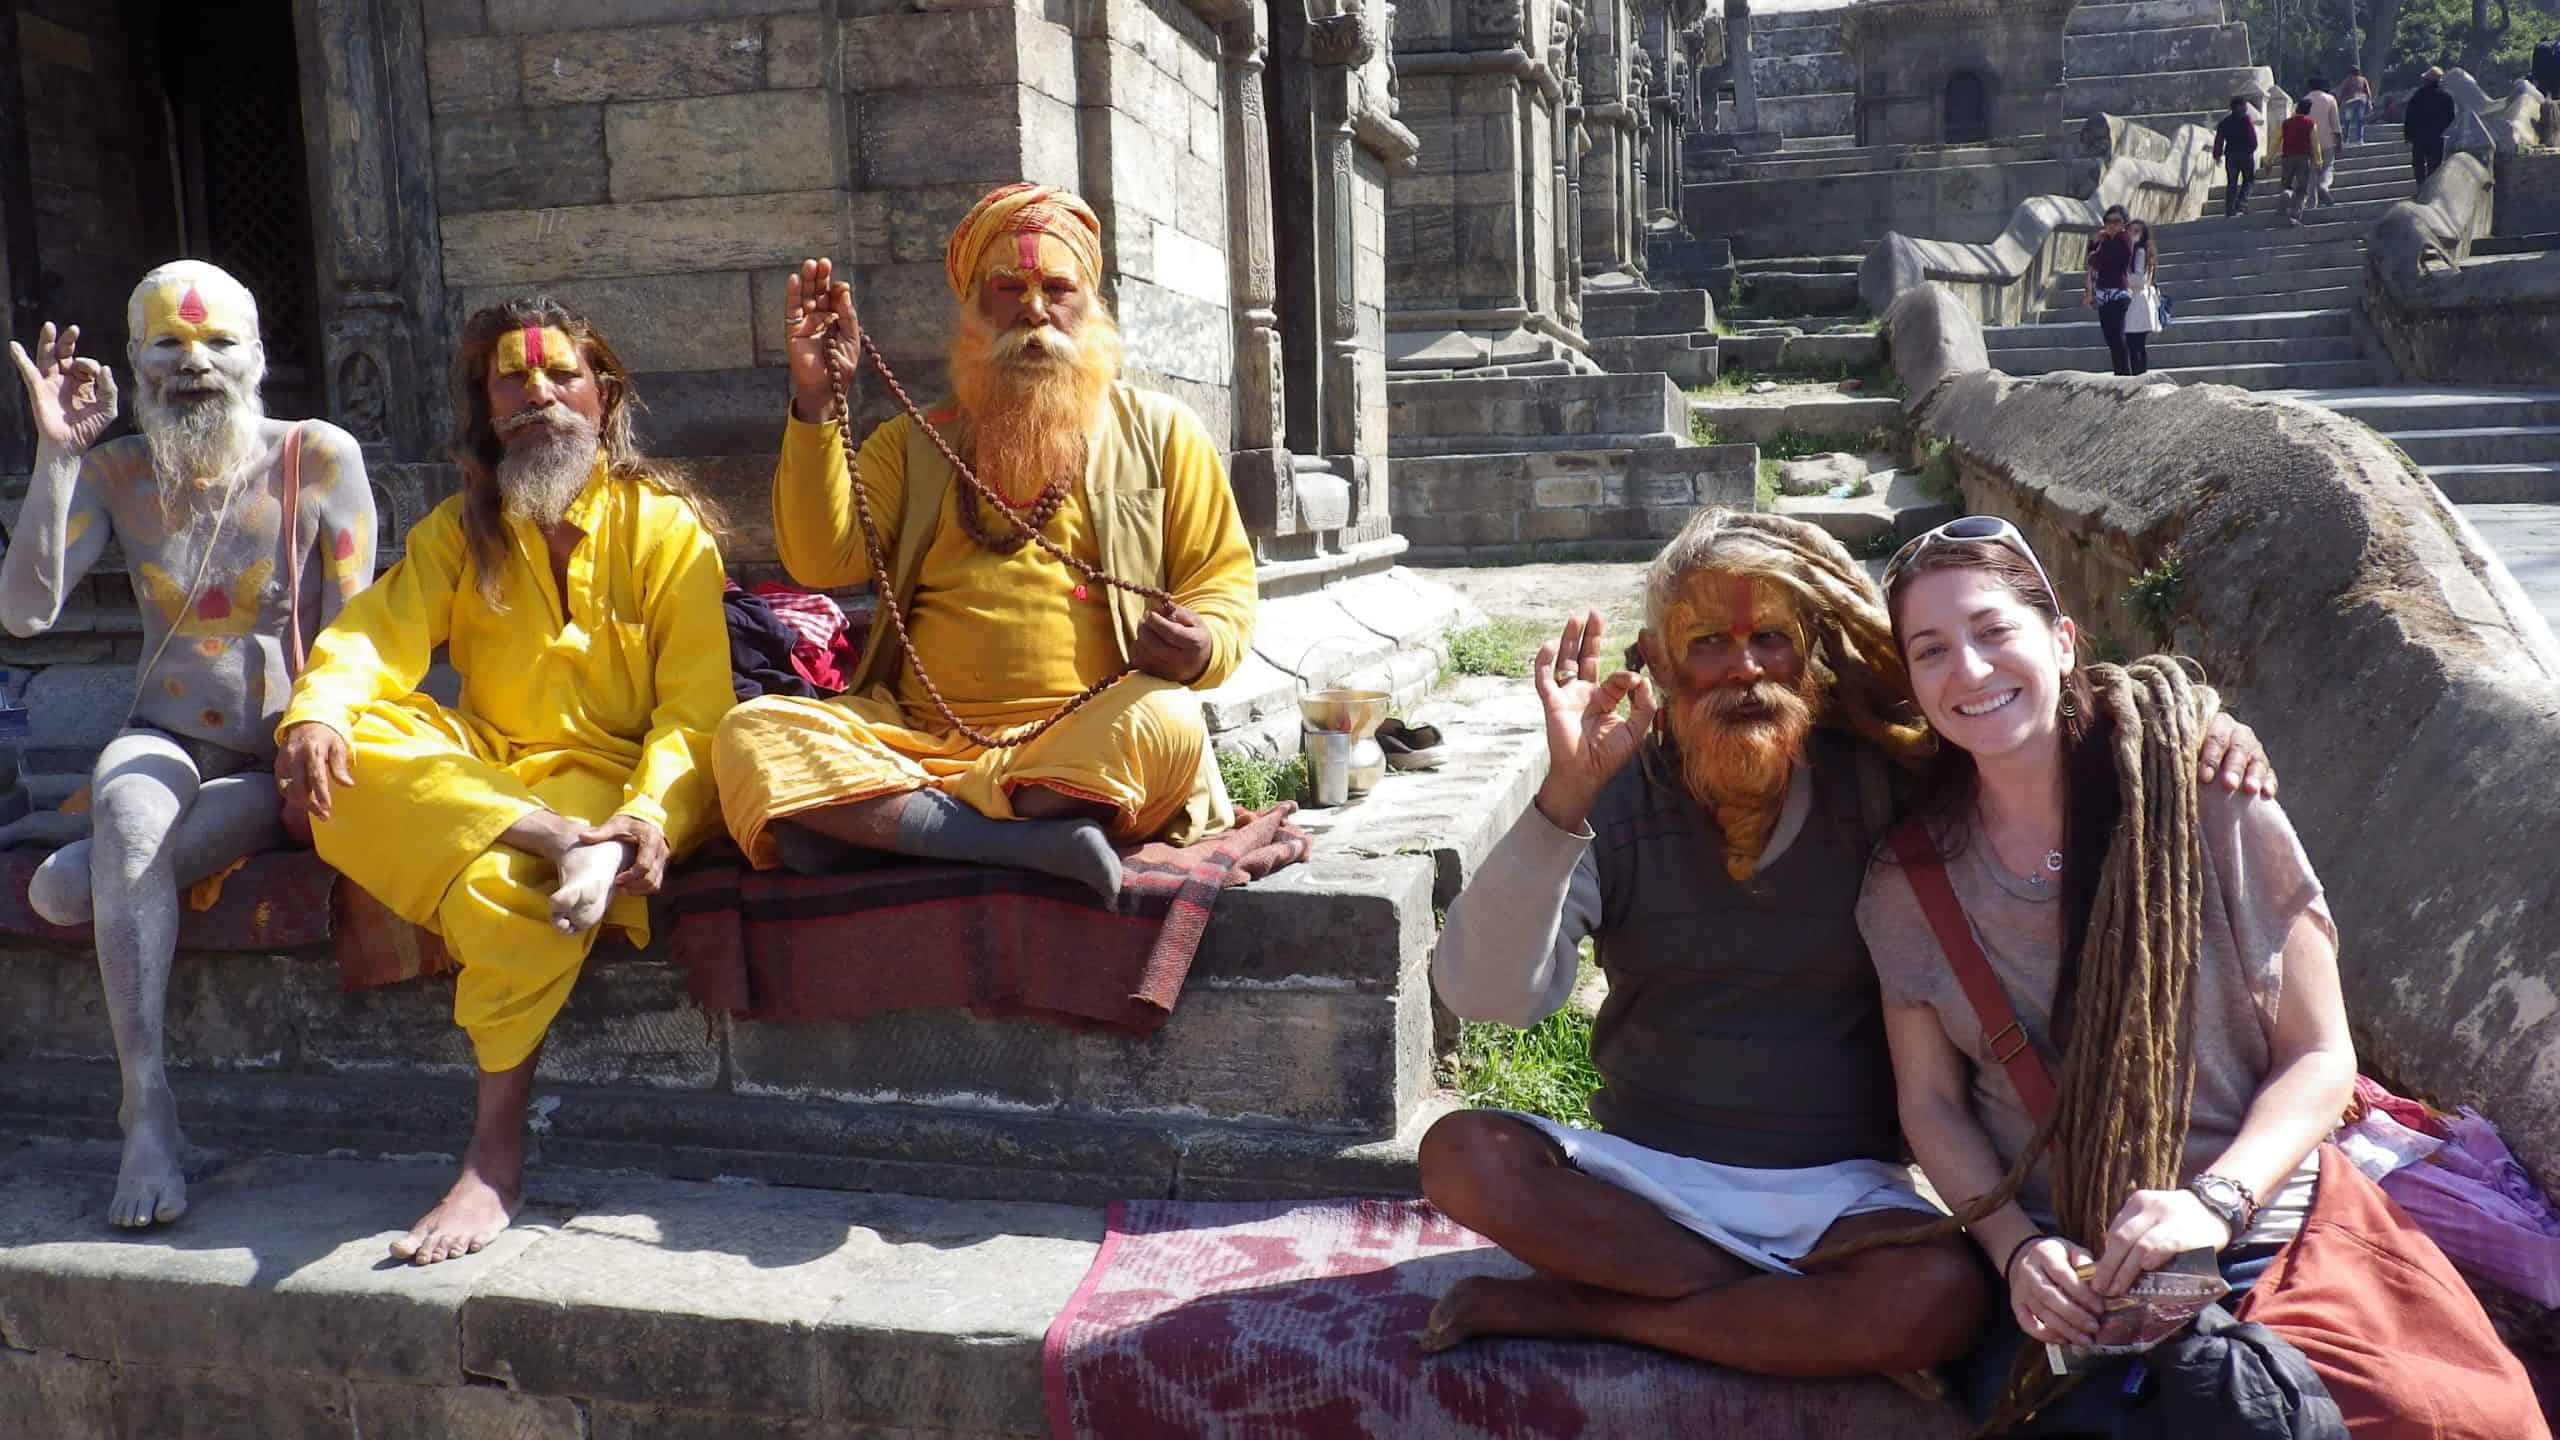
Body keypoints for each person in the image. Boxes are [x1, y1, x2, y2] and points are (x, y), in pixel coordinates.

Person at [1412, 510, 2272, 1382]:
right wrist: (1564, 795)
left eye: (1771, 640)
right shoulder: (1613, 786)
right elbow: (1488, 997)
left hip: (1838, 1197)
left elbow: (2026, 719)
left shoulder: (1885, 777)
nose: (1744, 668)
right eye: (1708, 642)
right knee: (1461, 1155)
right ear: (1659, 662)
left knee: (1936, 1295)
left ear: (1810, 654)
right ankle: (1762, 1307)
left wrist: (2190, 728)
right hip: (1641, 1181)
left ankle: (1599, 1311)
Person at [1844, 516, 2550, 1437]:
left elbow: (2320, 1052)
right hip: (2075, 1277)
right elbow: (1931, 1104)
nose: (1969, 671)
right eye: (1931, 650)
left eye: (1992, 630)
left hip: (2266, 1232)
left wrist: (2213, 1205)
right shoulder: (1909, 880)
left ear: (2061, 642)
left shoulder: (2208, 797)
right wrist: (2017, 1251)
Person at [276, 300, 733, 1264]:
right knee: (345, 746)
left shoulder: (669, 533)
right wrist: (315, 709)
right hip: (490, 774)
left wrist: (648, 816)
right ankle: (548, 839)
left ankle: (493, 1159)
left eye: (560, 376)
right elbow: (369, 641)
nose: (538, 397)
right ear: (484, 412)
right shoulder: (457, 532)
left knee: (493, 889)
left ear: (603, 397)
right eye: (510, 382)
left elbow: (696, 716)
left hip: (611, 789)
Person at [711, 185, 1256, 898]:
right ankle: (1017, 840)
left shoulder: (1161, 432)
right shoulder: (913, 440)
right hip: (916, 741)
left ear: (1090, 304)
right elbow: (821, 560)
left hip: (1080, 745)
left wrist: (1204, 645)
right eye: (1008, 288)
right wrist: (817, 399)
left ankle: (899, 829)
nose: (1034, 309)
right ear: (972, 310)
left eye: (1056, 287)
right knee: (750, 734)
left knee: (1169, 719)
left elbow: (1221, 581)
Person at [0, 262, 376, 1229]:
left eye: (217, 344)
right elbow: (26, 614)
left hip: (271, 765)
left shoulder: (317, 456)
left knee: (62, 887)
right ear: (135, 362)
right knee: (128, 806)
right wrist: (55, 457)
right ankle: (148, 1110)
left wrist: (319, 735)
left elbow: (362, 638)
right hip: (158, 739)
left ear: (257, 356)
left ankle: (81, 861)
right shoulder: (117, 470)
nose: (194, 363)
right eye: (169, 344)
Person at [2083, 205, 2141, 376]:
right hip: (2103, 293)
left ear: (2124, 223)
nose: (2111, 225)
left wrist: (2097, 251)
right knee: (2111, 339)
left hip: (2118, 293)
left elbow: (2100, 259)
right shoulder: (2106, 241)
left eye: (2116, 221)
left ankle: (2125, 375)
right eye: (2108, 221)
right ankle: (2119, 374)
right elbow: (2090, 261)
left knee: (2117, 337)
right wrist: (2095, 243)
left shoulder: (2124, 239)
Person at [2406, 67, 2458, 188]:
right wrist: (2441, 129)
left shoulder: (2418, 95)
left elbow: (2410, 116)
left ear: (2426, 81)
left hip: (2419, 136)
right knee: (2434, 164)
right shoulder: (2446, 97)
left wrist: (2408, 135)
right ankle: (2430, 188)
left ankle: (2421, 186)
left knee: (2418, 163)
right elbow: (2451, 117)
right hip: (2437, 136)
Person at [2121, 220, 2160, 376]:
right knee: (2137, 343)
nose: (2132, 234)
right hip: (2140, 301)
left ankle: (2139, 376)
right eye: (2130, 230)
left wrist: (2121, 278)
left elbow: (2140, 279)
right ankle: (2140, 375)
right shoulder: (2139, 250)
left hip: (2137, 301)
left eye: (2137, 231)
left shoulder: (2140, 251)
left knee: (2134, 342)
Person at [2212, 97, 2259, 218]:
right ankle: (2241, 203)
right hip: (2245, 154)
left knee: (2231, 183)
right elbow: (2252, 137)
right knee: (2249, 180)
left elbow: (2219, 140)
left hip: (2231, 156)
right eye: (2244, 105)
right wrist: (2251, 149)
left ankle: (2229, 210)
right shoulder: (2245, 120)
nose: (2245, 108)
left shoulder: (2225, 122)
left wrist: (2217, 155)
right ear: (2240, 106)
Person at [2278, 98, 2322, 226]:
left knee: (2286, 184)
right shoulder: (2310, 123)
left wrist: (2269, 159)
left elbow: (2276, 140)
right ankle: (2295, 215)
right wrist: (2318, 161)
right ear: (2308, 111)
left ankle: (2286, 193)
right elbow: (2315, 143)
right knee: (2302, 189)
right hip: (2304, 158)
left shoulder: (2285, 123)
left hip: (2287, 158)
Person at [2301, 76, 2341, 206]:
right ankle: (2323, 186)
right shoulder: (2330, 99)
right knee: (2327, 168)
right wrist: (2339, 141)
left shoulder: (2304, 100)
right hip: (2328, 141)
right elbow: (2335, 123)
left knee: (2312, 172)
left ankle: (2312, 203)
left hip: (2309, 142)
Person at [2338, 65, 2373, 146]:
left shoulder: (2348, 80)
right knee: (2360, 120)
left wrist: (2339, 102)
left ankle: (2346, 139)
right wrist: (2369, 102)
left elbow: (2342, 92)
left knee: (2347, 121)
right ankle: (2360, 139)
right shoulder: (2363, 79)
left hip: (2350, 101)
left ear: (2350, 72)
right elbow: (2368, 92)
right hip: (2362, 100)